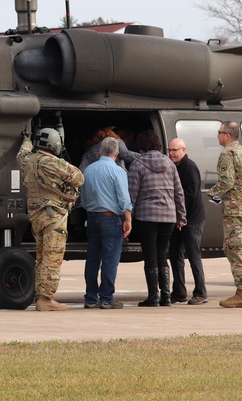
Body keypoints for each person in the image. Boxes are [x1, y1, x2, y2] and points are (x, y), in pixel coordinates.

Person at [17, 128, 84, 311]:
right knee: (52, 259)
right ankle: (46, 299)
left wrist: (26, 139)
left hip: (36, 218)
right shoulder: (54, 163)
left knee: (41, 258)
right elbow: (79, 178)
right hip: (53, 217)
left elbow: (22, 153)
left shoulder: (28, 161)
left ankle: (40, 296)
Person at [127, 130, 185, 307]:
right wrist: (181, 216)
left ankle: (153, 296)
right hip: (168, 216)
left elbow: (132, 194)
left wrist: (128, 216)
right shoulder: (170, 164)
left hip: (146, 216)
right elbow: (178, 192)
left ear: (142, 146)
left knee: (150, 256)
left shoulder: (137, 164)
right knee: (162, 254)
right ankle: (166, 296)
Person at [207, 121, 242, 308]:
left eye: (219, 132)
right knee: (240, 249)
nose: (218, 136)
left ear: (227, 135)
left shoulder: (228, 154)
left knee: (235, 250)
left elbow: (226, 183)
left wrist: (212, 193)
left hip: (235, 210)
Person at [80, 137, 133, 309]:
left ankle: (90, 297)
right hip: (110, 218)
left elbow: (84, 199)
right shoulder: (118, 171)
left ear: (100, 152)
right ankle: (106, 298)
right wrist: (128, 218)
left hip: (92, 217)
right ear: (117, 153)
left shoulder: (88, 171)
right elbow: (124, 199)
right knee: (110, 259)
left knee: (92, 259)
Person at [167, 137, 208, 305]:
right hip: (179, 219)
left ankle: (201, 292)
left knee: (193, 255)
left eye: (174, 150)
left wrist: (182, 218)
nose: (171, 154)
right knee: (174, 254)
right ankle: (179, 291)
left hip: (191, 219)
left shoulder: (189, 167)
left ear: (183, 150)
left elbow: (190, 195)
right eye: (169, 150)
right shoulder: (174, 167)